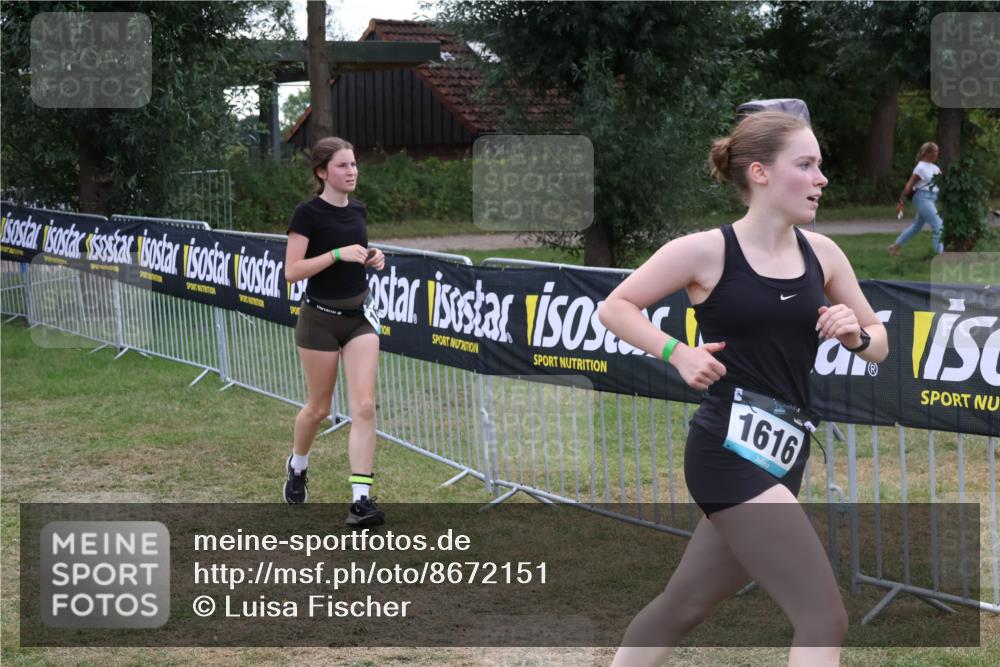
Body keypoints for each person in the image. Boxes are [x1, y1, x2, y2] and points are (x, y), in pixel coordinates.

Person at [598, 111, 888, 667]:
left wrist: (855, 332)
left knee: (683, 605)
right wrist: (676, 351)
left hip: (784, 453)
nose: (821, 178)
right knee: (823, 618)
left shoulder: (823, 254)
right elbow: (616, 306)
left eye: (819, 165)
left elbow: (878, 342)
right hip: (725, 453)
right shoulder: (706, 251)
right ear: (760, 173)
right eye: (805, 165)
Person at [283, 136, 387, 527]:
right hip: (319, 320)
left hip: (360, 317)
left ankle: (361, 501)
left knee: (364, 407)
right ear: (322, 172)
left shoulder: (358, 209)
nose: (352, 171)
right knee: (320, 409)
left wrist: (374, 257)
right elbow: (292, 271)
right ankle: (298, 465)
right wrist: (336, 255)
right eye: (343, 165)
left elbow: (356, 253)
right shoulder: (307, 213)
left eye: (355, 164)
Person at [889, 142, 944, 256]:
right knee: (939, 225)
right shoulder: (920, 168)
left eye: (937, 151)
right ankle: (939, 255)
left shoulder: (936, 168)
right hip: (922, 199)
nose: (937, 154)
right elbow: (909, 186)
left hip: (932, 199)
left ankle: (895, 247)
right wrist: (901, 202)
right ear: (927, 152)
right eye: (935, 151)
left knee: (916, 227)